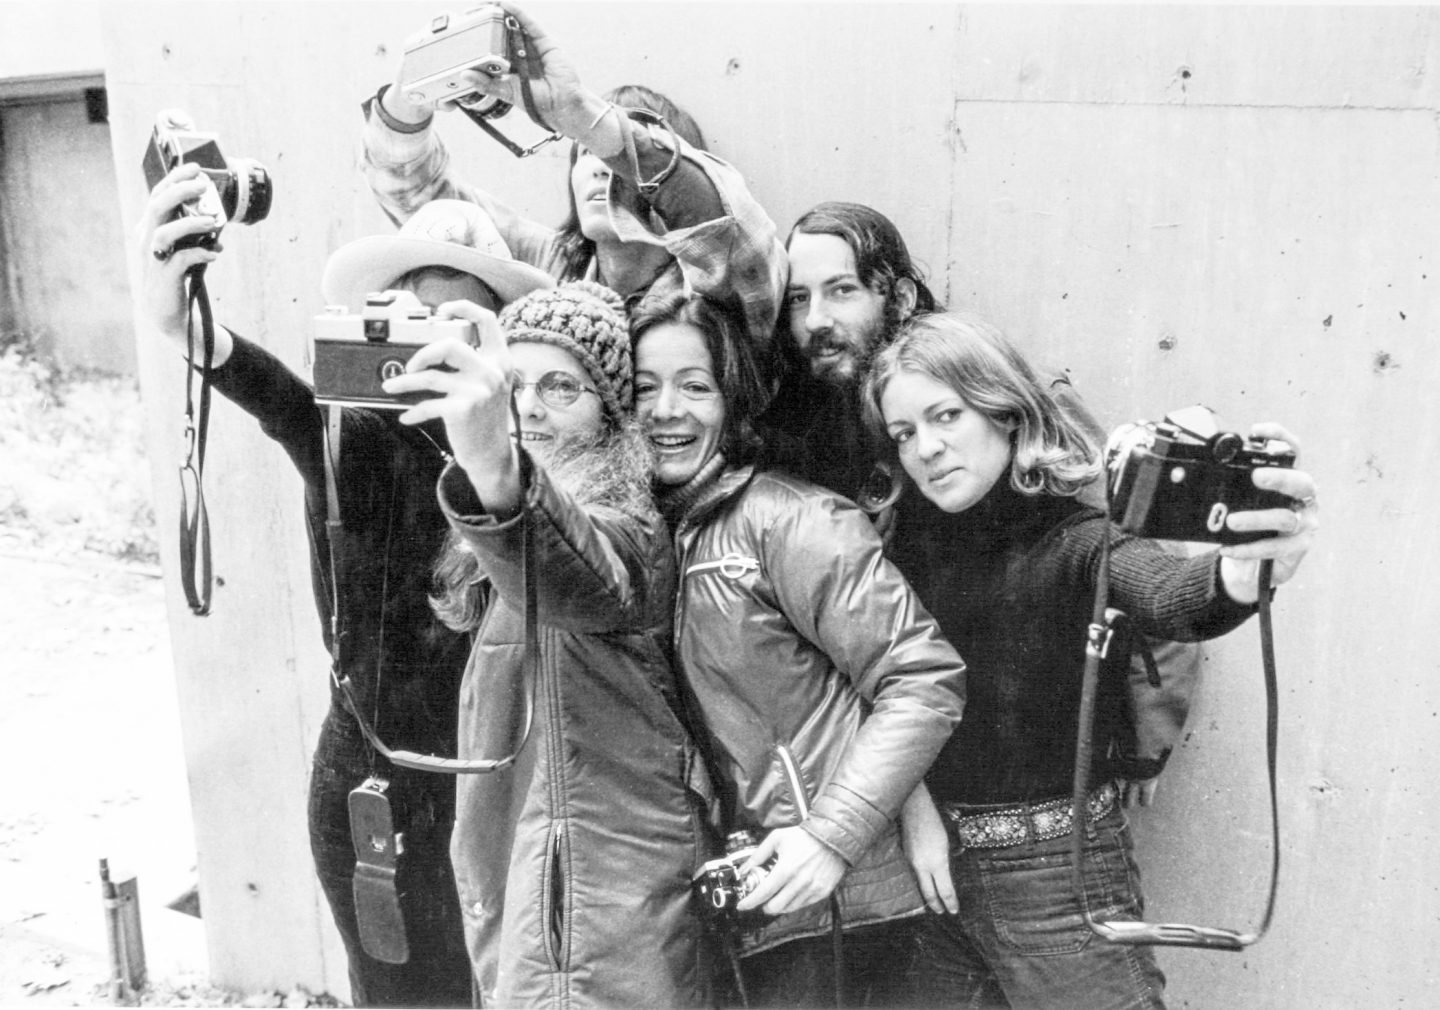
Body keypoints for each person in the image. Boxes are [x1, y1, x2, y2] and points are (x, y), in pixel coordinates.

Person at [136, 172, 553, 1006]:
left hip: (502, 783)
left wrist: (497, 441)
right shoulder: (346, 437)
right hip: (374, 782)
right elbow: (268, 392)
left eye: (460, 322)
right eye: (414, 317)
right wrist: (177, 317)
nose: (435, 345)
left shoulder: (539, 451)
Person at [860, 311, 1320, 1010]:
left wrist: (1242, 574)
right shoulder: (901, 550)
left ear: (1005, 412)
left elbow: (1170, 595)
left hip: (1053, 880)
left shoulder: (1075, 540)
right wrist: (914, 808)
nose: (925, 447)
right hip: (931, 876)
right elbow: (876, 692)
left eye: (946, 415)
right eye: (903, 432)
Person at [629, 292, 967, 1008]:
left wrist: (829, 837)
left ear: (735, 400)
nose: (666, 410)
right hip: (743, 913)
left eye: (695, 386)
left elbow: (922, 677)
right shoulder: (650, 541)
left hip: (842, 908)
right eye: (643, 388)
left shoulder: (792, 520)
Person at [380, 282, 713, 1007]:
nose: (528, 407)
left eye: (561, 387)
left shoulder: (628, 530)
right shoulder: (503, 544)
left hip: (597, 917)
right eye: (515, 384)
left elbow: (571, 567)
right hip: (536, 891)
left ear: (611, 415)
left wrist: (491, 461)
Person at [363, 3, 785, 351]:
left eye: (613, 154)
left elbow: (737, 240)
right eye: (585, 151)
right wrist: (411, 94)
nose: (600, 165)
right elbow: (418, 195)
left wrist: (585, 118)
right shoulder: (549, 265)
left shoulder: (706, 292)